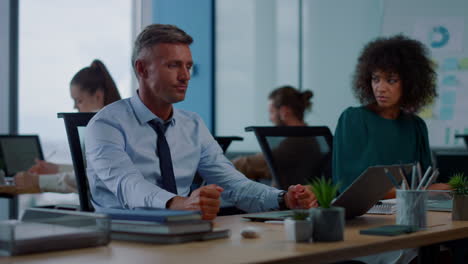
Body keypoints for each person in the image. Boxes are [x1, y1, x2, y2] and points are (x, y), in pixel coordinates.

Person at [85, 24, 316, 220]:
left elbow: (235, 185)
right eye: (173, 65)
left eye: (188, 66)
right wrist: (180, 204)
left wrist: (283, 198)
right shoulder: (105, 125)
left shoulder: (192, 125)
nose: (185, 76)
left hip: (181, 233)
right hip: (121, 238)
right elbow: (129, 187)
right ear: (142, 69)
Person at [333, 35, 450, 198]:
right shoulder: (354, 119)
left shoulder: (416, 126)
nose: (380, 88)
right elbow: (350, 188)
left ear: (410, 83)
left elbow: (425, 183)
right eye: (376, 79)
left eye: (391, 80)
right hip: (366, 218)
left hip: (411, 214)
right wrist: (417, 192)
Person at [14, 59, 121, 194]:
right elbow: (94, 171)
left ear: (98, 96)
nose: (75, 107)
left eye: (79, 100)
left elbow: (90, 179)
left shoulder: (104, 129)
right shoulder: (117, 122)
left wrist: (37, 181)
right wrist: (56, 169)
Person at [233, 86, 314, 184]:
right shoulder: (311, 138)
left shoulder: (293, 144)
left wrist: (219, 165)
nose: (270, 119)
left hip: (284, 198)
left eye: (271, 112)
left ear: (284, 112)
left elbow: (245, 165)